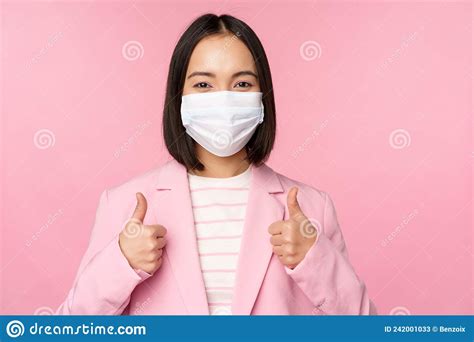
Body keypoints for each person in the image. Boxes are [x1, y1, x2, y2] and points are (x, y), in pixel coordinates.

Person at [56, 13, 376, 315]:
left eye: (241, 84)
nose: (223, 98)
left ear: (263, 98)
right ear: (178, 99)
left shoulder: (312, 208)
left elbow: (368, 329)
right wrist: (121, 263)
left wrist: (315, 261)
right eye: (203, 85)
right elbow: (67, 327)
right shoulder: (124, 204)